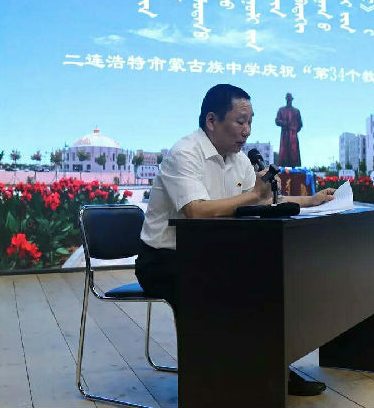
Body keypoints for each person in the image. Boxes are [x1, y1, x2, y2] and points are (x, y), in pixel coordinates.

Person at [136, 83, 335, 397]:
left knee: (273, 281)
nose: (247, 130)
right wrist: (255, 194)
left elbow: (260, 199)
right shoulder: (185, 153)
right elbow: (196, 211)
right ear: (212, 121)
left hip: (212, 253)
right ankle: (217, 384)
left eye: (250, 122)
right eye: (240, 121)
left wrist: (310, 200)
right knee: (230, 287)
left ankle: (272, 371)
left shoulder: (239, 158)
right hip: (165, 259)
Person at [275, 92, 303, 167]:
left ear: (292, 99)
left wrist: (294, 130)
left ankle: (295, 167)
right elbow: (277, 121)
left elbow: (300, 124)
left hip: (293, 135)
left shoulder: (296, 111)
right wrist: (284, 123)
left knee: (294, 152)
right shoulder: (281, 110)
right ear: (286, 99)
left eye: (290, 99)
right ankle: (283, 167)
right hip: (285, 135)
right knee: (284, 152)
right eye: (288, 99)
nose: (289, 100)